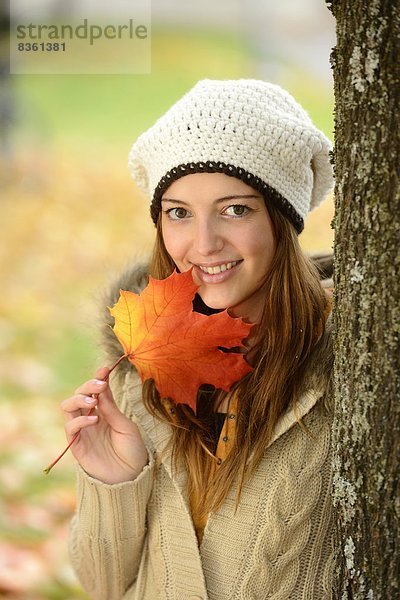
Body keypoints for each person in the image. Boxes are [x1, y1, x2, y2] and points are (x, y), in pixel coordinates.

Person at [63, 79, 335, 599]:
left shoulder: (352, 368)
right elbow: (102, 584)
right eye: (179, 212)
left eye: (236, 209)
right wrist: (116, 482)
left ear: (283, 220)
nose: (204, 244)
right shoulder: (135, 375)